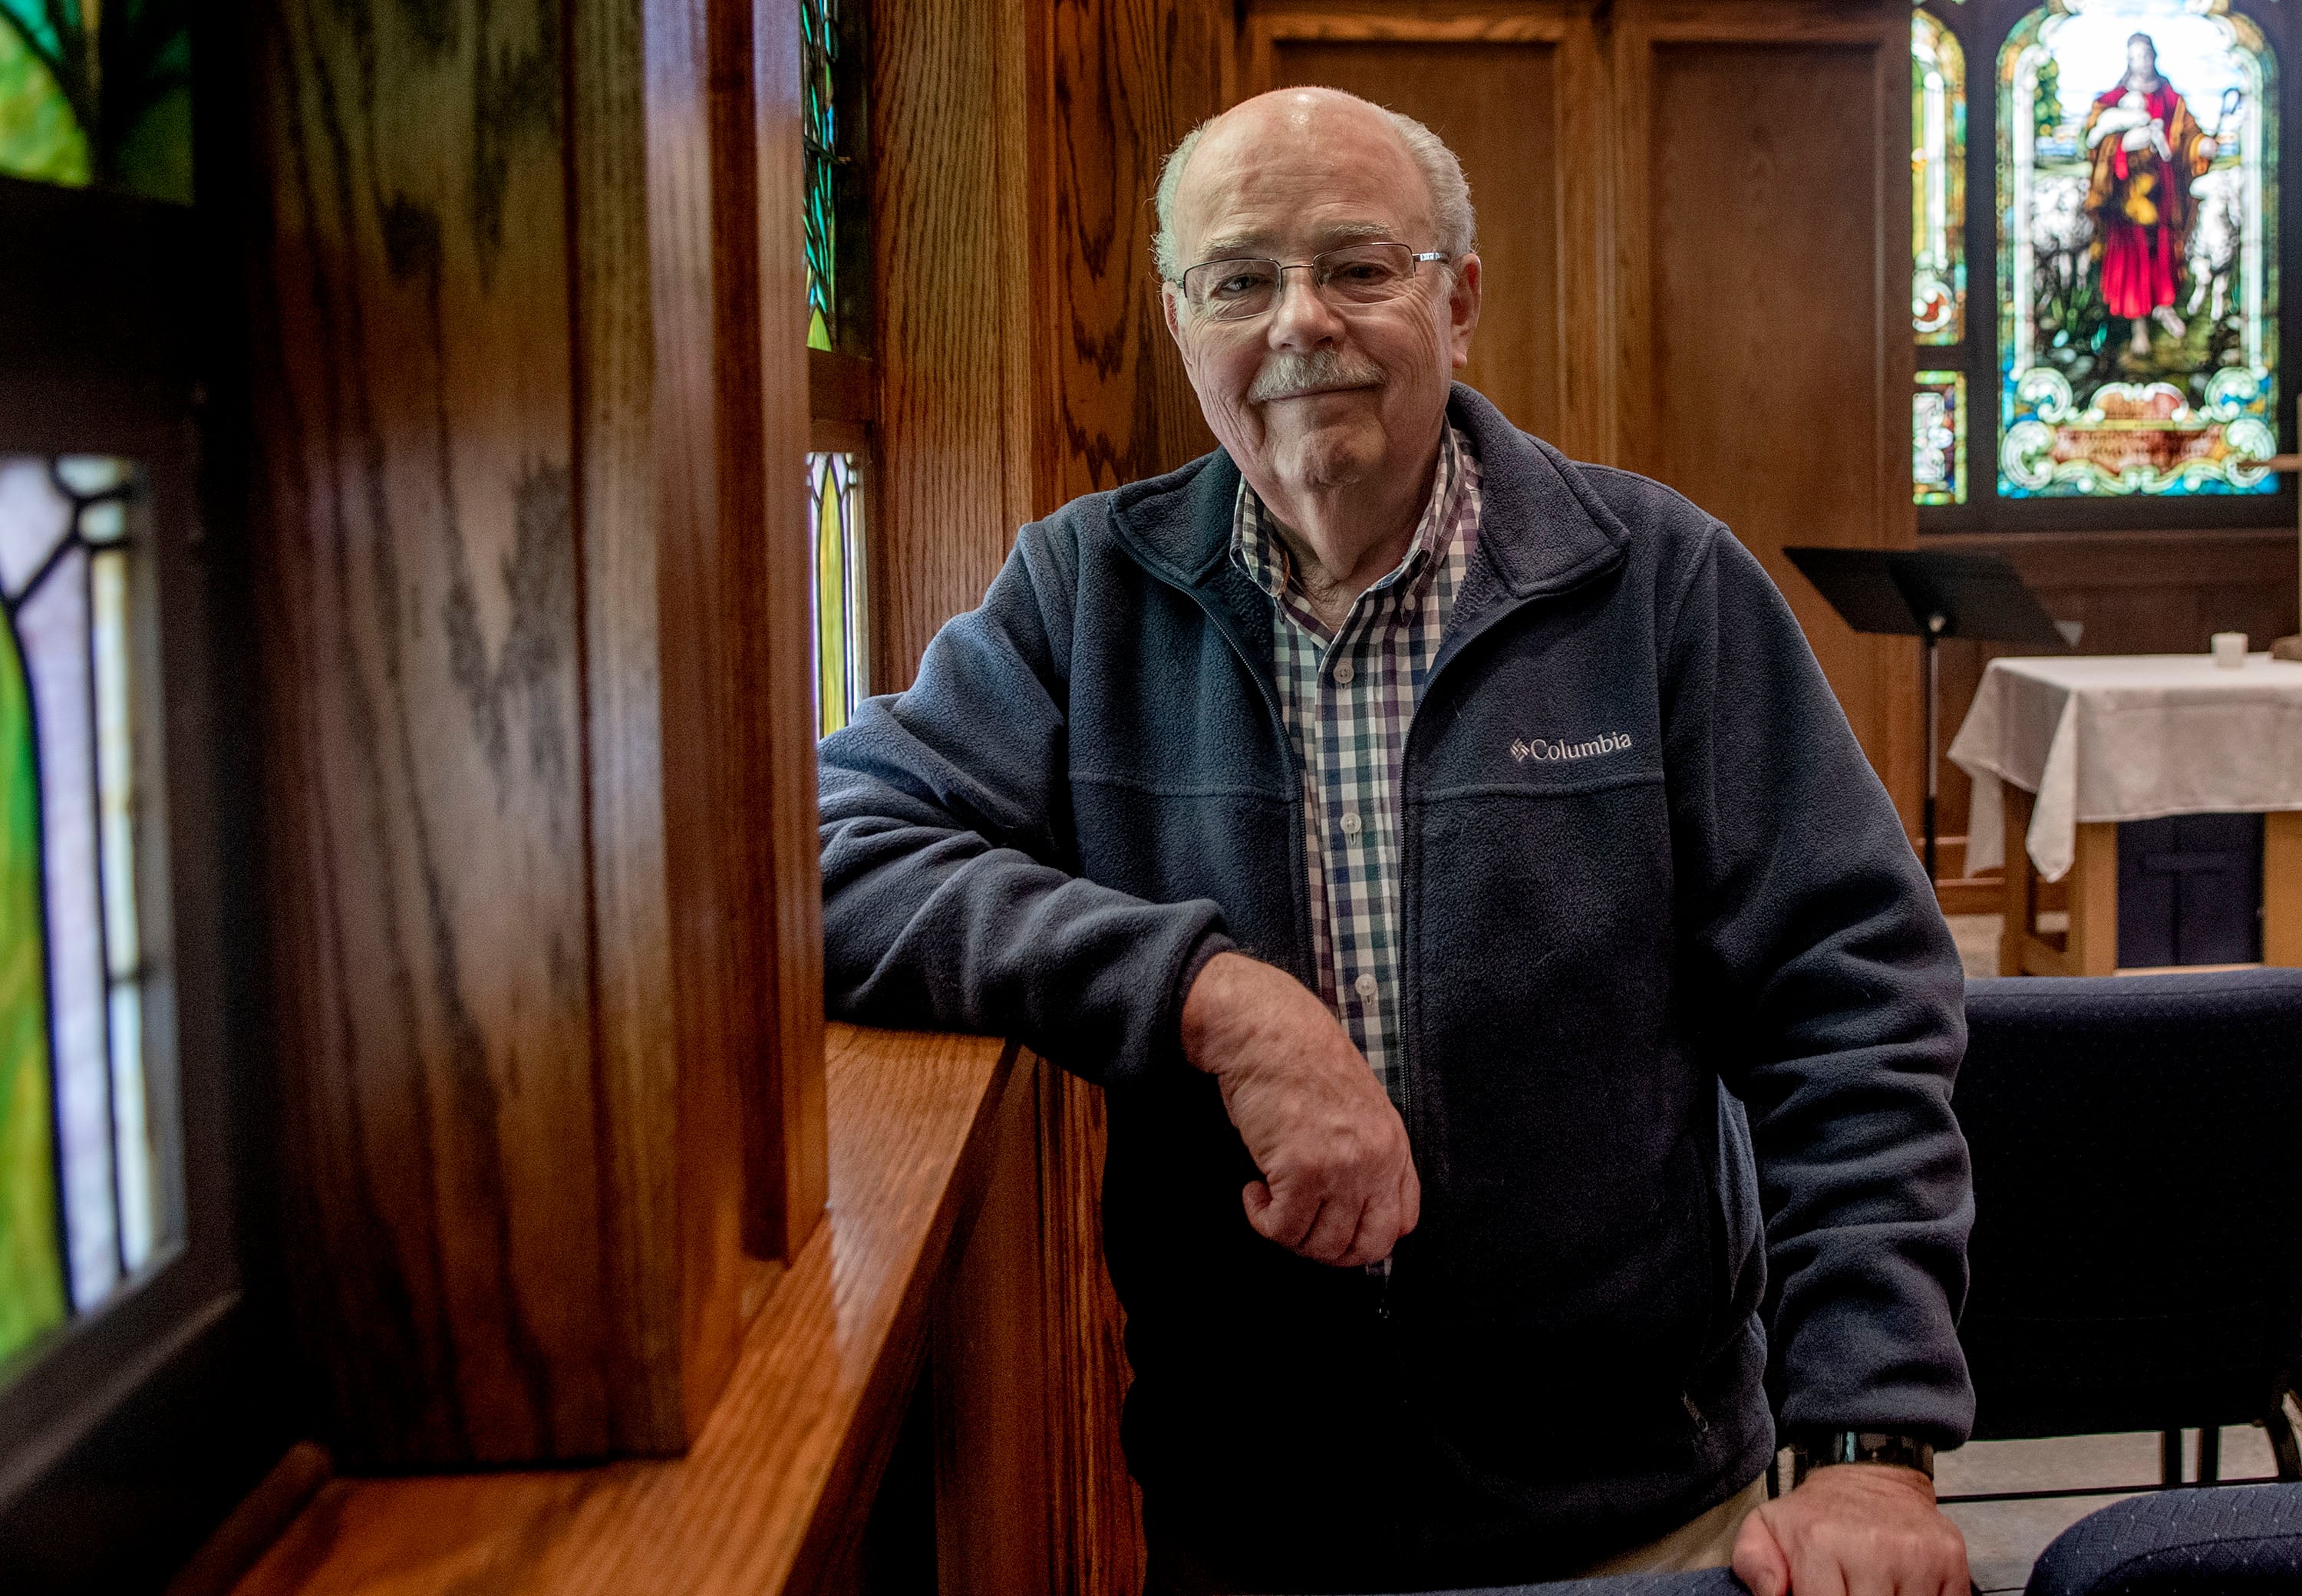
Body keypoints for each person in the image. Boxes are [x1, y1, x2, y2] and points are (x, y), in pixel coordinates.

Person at [820, 87, 1974, 1595]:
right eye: (1240, 280)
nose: (1301, 321)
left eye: (1359, 267)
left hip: (1646, 1521)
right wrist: (1209, 995)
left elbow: (1855, 1006)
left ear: (1459, 300)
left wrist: (1869, 1445)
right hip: (1250, 1525)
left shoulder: (1658, 584)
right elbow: (836, 848)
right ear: (1181, 325)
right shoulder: (1084, 593)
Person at [2084, 32, 2218, 357]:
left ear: (2154, 56)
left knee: (2162, 255)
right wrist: (2123, 144)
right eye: (2135, 57)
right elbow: (2093, 142)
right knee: (2133, 262)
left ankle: (2164, 308)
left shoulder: (2171, 99)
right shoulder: (2112, 100)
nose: (2141, 62)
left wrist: (2201, 145)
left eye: (2145, 55)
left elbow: (2188, 137)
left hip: (2164, 198)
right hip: (2126, 203)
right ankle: (2138, 328)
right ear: (2128, 61)